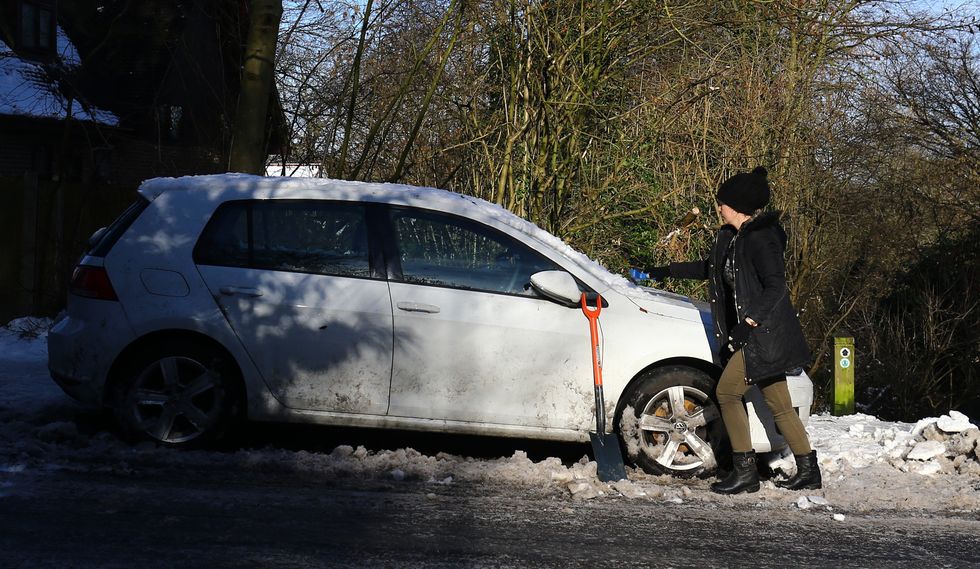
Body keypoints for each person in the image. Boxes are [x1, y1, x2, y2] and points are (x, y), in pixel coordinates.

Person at [638, 167, 821, 494]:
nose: (718, 206)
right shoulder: (730, 237)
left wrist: (748, 325)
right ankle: (809, 469)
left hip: (764, 337)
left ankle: (745, 471)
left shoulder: (762, 239)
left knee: (726, 393)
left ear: (738, 205)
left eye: (723, 202)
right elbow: (710, 269)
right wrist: (662, 271)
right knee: (778, 403)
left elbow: (776, 287)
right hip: (754, 335)